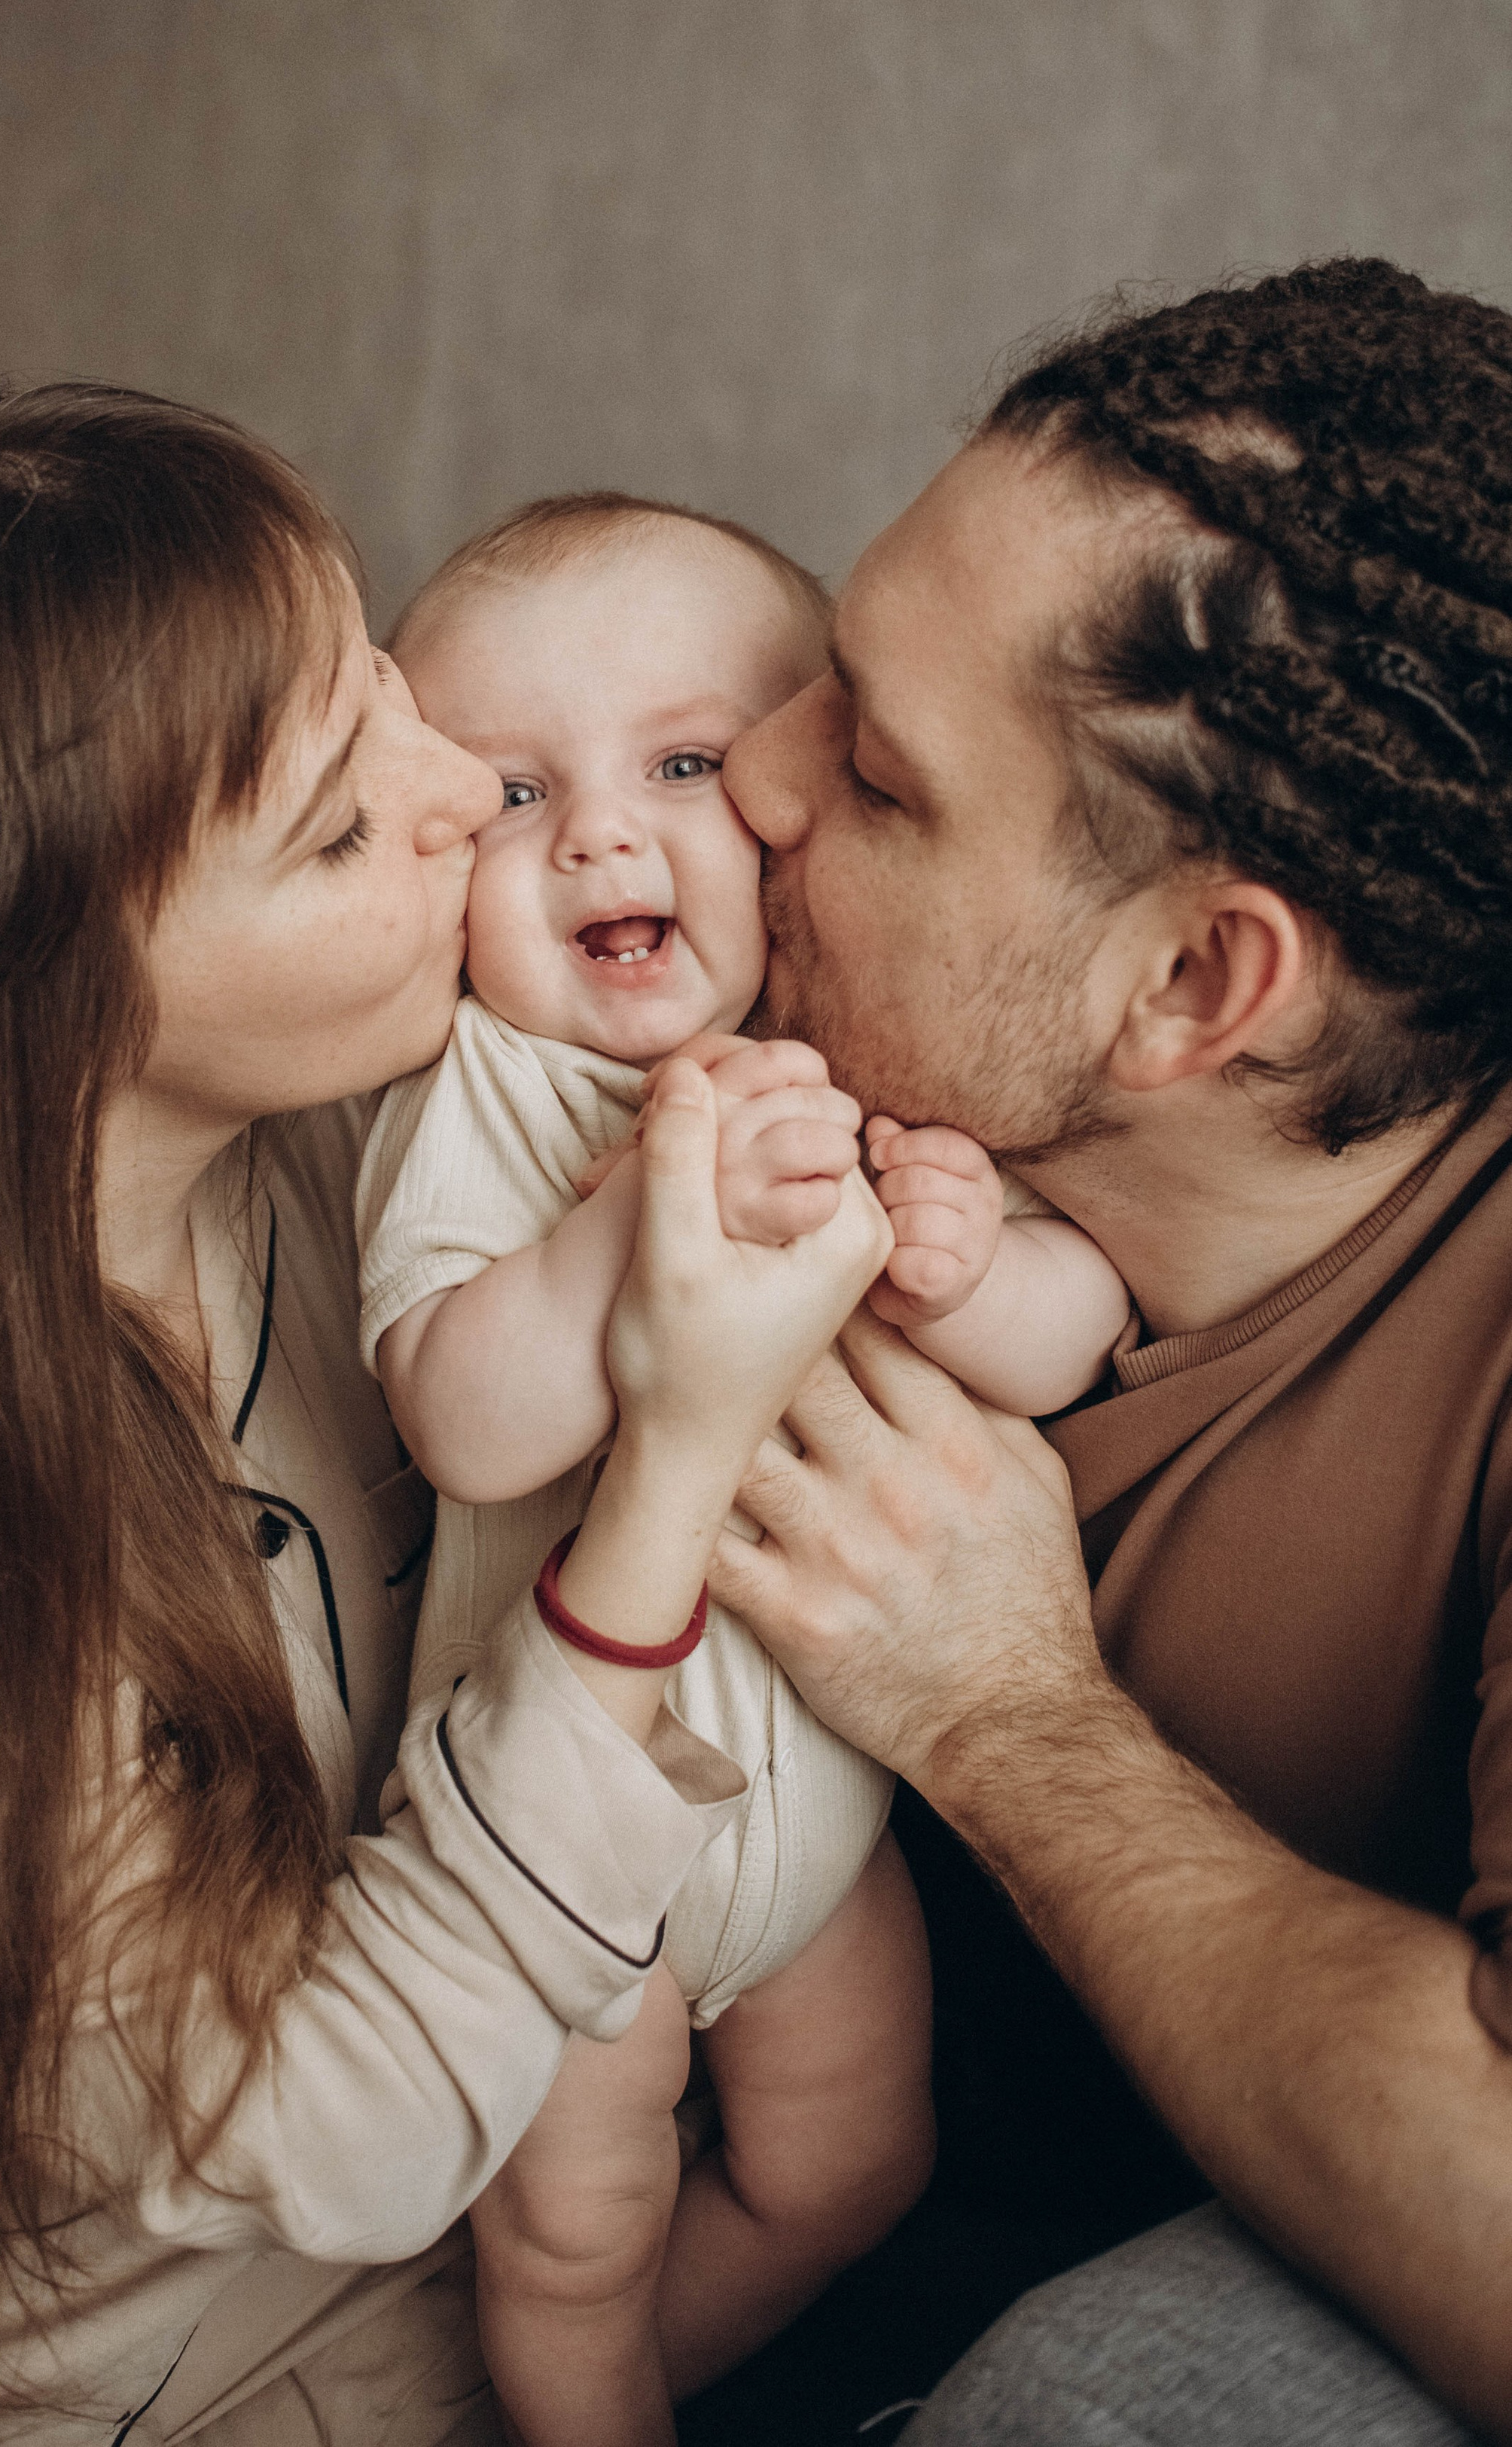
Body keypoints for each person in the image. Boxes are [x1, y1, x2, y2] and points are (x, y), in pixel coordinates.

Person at [0, 383, 886, 2445]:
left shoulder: (320, 1149)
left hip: (434, 2271)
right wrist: (675, 1455)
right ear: (46, 1009)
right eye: (344, 824)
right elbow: (329, 2134)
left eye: (373, 682)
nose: (462, 785)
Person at [704, 259, 1512, 2445]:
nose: (750, 775)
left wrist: (1009, 1714)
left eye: (872, 769)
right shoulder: (739, 1065)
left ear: (1188, 990)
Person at [356, 491, 1130, 2445]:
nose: (603, 835)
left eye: (685, 762)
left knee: (852, 2165)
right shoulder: (480, 1089)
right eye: (514, 796)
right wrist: (624, 1228)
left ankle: (553, 2403)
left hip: (820, 1841)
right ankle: (580, 2393)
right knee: (576, 2232)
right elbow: (460, 1415)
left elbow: (1072, 1337)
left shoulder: (862, 1046)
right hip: (558, 1841)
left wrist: (969, 1267)